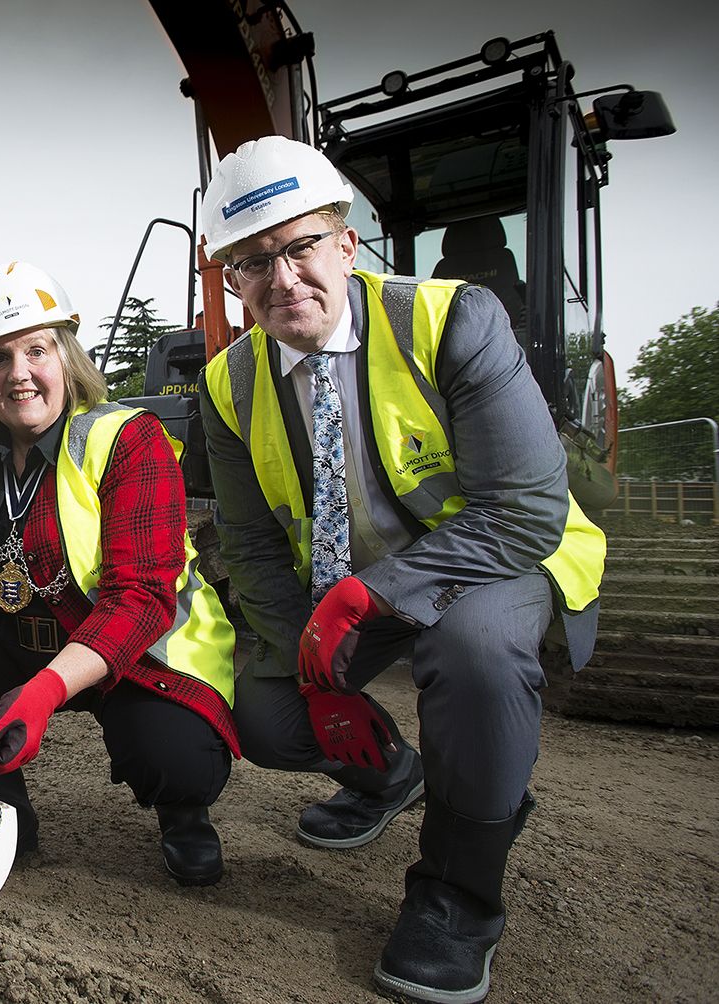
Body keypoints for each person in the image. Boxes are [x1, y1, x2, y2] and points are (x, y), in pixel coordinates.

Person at [196, 138, 604, 1003]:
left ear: (347, 243)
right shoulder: (229, 383)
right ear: (233, 280)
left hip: (492, 561)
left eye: (300, 245)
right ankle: (393, 778)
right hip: (351, 588)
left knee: (477, 649)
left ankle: (458, 897)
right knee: (267, 715)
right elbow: (256, 549)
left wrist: (370, 593)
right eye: (252, 262)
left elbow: (523, 510)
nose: (282, 278)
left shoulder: (453, 320)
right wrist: (319, 683)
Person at [0, 261, 238, 886]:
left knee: (174, 753)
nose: (18, 373)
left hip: (128, 653)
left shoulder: (130, 439)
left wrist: (49, 691)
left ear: (67, 357)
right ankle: (5, 818)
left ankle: (184, 815)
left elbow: (141, 597)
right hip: (12, 638)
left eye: (36, 350)